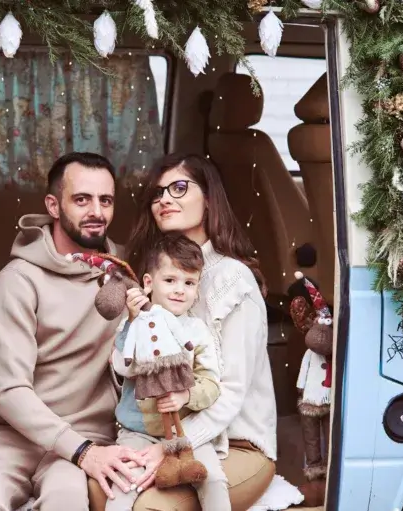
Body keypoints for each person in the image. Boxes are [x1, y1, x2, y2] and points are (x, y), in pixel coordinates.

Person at [0, 152, 145, 511]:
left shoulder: (125, 274)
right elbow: (10, 391)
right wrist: (82, 451)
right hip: (6, 436)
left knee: (67, 501)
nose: (96, 212)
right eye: (82, 199)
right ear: (53, 206)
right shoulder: (18, 280)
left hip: (85, 434)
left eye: (105, 200)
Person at [120, 152, 278, 510]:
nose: (164, 199)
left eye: (178, 187)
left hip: (236, 444)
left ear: (208, 199)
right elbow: (129, 370)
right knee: (105, 489)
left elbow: (231, 393)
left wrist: (171, 447)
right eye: (157, 193)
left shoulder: (234, 280)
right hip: (159, 433)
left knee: (150, 508)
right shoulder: (151, 274)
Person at [108, 233, 228, 511]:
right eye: (170, 280)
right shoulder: (132, 325)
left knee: (213, 479)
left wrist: (186, 395)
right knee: (124, 486)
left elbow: (211, 383)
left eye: (189, 283)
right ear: (148, 283)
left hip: (184, 431)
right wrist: (132, 322)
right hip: (137, 431)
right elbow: (122, 367)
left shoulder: (197, 331)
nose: (179, 290)